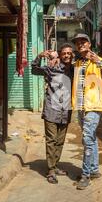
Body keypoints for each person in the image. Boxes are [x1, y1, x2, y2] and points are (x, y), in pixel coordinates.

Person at [71, 32, 102, 190]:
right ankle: (94, 170)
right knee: (91, 138)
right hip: (81, 107)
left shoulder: (99, 61)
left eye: (83, 41)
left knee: (87, 139)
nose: (80, 44)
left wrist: (100, 62)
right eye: (78, 43)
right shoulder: (77, 63)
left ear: (89, 44)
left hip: (94, 106)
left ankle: (85, 175)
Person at [31, 43, 74, 184]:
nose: (67, 55)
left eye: (69, 53)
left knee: (60, 142)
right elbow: (34, 69)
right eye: (64, 53)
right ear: (60, 55)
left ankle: (55, 166)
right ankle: (50, 170)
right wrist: (40, 56)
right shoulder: (52, 68)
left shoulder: (74, 70)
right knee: (51, 140)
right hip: (51, 110)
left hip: (66, 111)